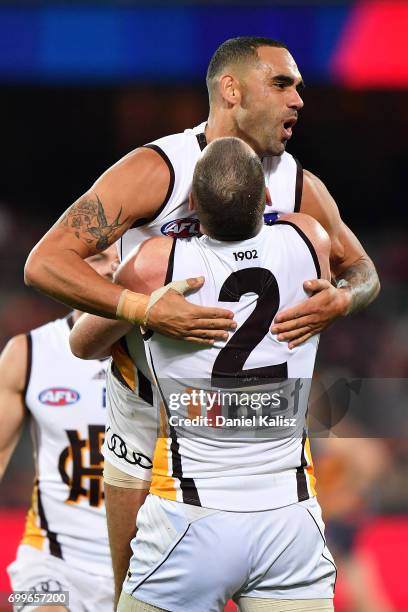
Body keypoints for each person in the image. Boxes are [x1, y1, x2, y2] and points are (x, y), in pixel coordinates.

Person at [24, 36, 379, 603]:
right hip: (146, 402)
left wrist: (343, 298)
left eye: (301, 88)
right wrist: (141, 307)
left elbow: (363, 271)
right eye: (282, 84)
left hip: (241, 412)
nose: (299, 101)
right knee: (134, 590)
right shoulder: (158, 169)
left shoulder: (297, 184)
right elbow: (44, 262)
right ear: (231, 90)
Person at [71, 137, 336, 612]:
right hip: (290, 519)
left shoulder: (157, 263)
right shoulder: (309, 238)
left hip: (190, 516)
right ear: (269, 198)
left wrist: (143, 309)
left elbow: (82, 344)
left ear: (191, 204)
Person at [0, 246, 118, 612]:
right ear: (69, 269)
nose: (115, 265)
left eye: (123, 255)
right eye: (100, 257)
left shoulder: (169, 353)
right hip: (47, 564)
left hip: (147, 565)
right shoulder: (28, 352)